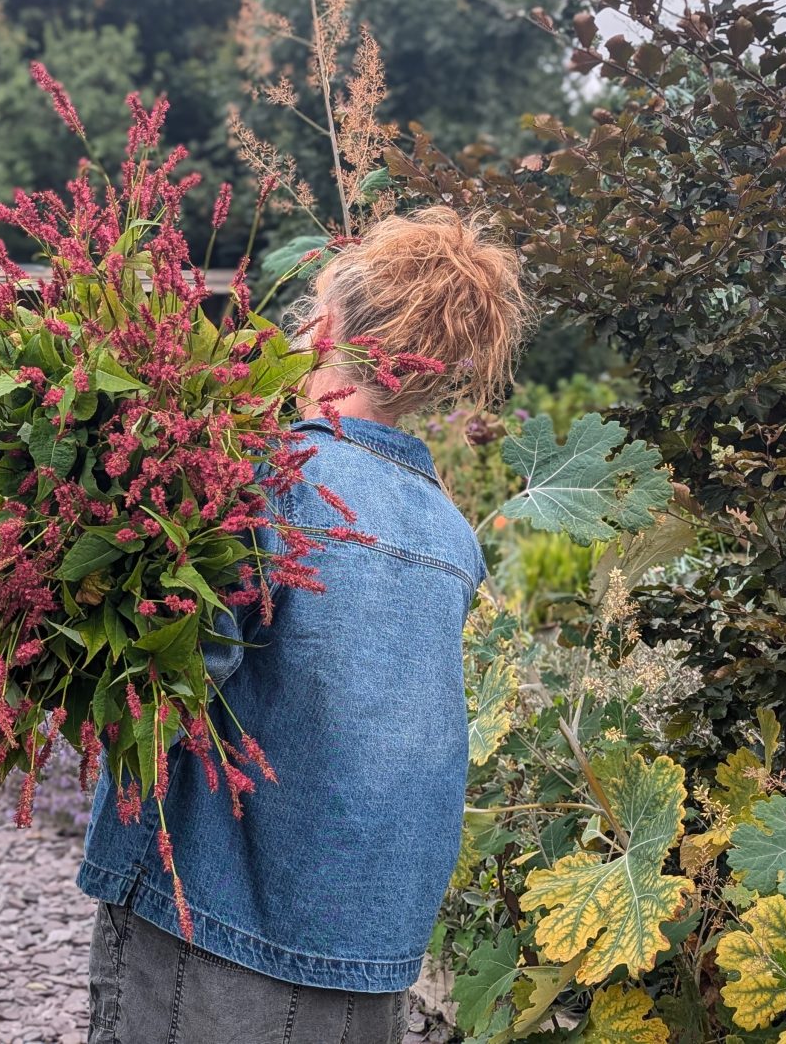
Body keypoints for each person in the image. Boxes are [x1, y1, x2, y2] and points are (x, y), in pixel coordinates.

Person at [78, 206, 531, 1044]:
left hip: (217, 931)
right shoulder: (451, 535)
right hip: (370, 954)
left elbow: (173, 686)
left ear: (323, 331)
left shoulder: (270, 476)